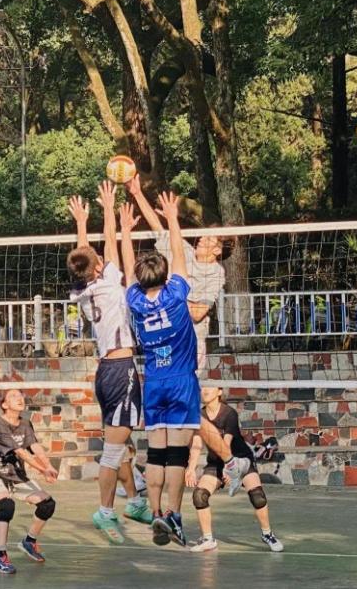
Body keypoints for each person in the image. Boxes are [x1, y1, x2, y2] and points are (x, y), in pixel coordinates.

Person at [67, 181, 153, 544]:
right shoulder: (111, 286)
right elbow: (109, 248)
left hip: (104, 372)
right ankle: (105, 511)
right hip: (121, 371)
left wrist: (81, 223)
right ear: (99, 267)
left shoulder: (83, 290)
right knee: (114, 451)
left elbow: (84, 257)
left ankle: (134, 501)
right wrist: (108, 211)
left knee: (124, 444)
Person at [119, 192, 202, 548]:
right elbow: (180, 256)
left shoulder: (135, 301)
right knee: (177, 456)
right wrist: (172, 218)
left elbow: (128, 270)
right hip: (181, 382)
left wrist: (125, 231)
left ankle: (154, 512)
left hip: (153, 383)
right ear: (166, 276)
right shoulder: (176, 295)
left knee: (155, 454)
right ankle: (174, 516)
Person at [127, 175, 226, 370]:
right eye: (203, 236)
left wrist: (170, 297)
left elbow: (197, 314)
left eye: (208, 239)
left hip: (190, 341)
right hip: (165, 339)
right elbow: (158, 228)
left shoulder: (216, 273)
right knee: (161, 383)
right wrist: (137, 193)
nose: (201, 240)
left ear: (217, 250)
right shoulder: (185, 251)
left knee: (187, 387)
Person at [187, 387, 284, 554]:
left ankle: (267, 534)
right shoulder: (200, 415)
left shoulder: (229, 413)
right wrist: (190, 467)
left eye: (210, 387)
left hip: (240, 459)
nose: (205, 390)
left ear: (219, 391)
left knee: (257, 496)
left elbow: (226, 443)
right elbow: (196, 444)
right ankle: (208, 539)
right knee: (199, 495)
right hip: (216, 463)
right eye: (203, 387)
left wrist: (229, 469)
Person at [0, 388, 59, 574]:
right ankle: (0, 557)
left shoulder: (25, 424)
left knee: (47, 504)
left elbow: (34, 447)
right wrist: (42, 470)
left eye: (21, 395)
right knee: (7, 505)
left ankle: (29, 541)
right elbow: (21, 452)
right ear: (5, 405)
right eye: (13, 396)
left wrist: (48, 465)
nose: (20, 398)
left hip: (15, 476)